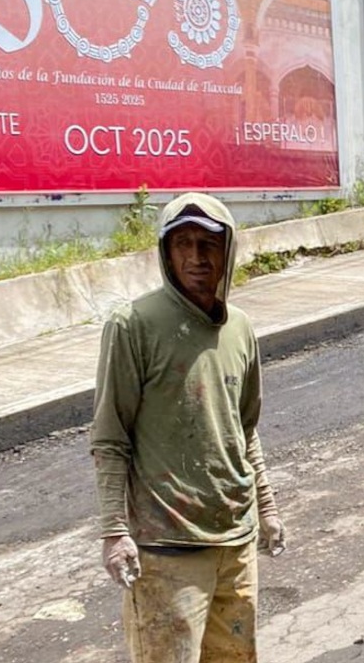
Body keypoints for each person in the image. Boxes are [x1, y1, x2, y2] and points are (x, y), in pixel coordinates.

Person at [91, 192, 284, 663]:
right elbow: (110, 438)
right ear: (166, 252)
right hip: (167, 547)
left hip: (234, 542)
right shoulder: (133, 326)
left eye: (208, 244)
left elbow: (245, 429)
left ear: (228, 251)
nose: (196, 257)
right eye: (183, 243)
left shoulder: (239, 328)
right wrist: (115, 532)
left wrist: (267, 506)